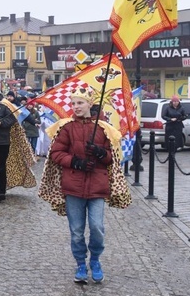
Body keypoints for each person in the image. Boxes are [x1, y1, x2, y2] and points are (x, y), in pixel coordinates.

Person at [38, 84, 131, 284]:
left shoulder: (103, 129)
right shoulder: (67, 127)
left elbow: (111, 158)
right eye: (73, 103)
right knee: (77, 230)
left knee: (97, 227)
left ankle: (95, 260)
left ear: (90, 103)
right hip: (73, 185)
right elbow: (56, 153)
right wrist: (76, 161)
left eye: (80, 103)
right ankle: (81, 263)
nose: (76, 106)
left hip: (97, 186)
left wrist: (99, 153)